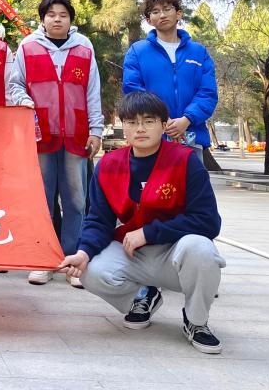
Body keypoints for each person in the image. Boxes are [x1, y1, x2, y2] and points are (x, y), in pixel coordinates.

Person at [59, 91, 225, 354]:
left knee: (202, 249)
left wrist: (149, 232)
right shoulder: (109, 165)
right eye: (132, 122)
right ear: (123, 126)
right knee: (90, 270)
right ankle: (143, 297)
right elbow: (98, 220)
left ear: (163, 124)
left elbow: (208, 222)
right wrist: (83, 252)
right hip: (133, 255)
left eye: (148, 121)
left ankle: (196, 321)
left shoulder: (185, 161)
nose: (140, 129)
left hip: (175, 254)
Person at [8, 0, 103, 287]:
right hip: (41, 136)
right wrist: (24, 100)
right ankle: (43, 260)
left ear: (71, 19)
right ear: (42, 19)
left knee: (76, 200)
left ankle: (72, 262)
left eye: (63, 15)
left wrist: (96, 130)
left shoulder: (84, 47)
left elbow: (93, 92)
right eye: (51, 15)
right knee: (42, 199)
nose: (57, 19)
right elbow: (14, 85)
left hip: (76, 135)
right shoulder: (28, 47)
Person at [121, 0, 218, 165]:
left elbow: (208, 93)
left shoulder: (198, 52)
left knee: (192, 182)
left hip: (192, 136)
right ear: (149, 20)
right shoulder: (137, 51)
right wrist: (163, 121)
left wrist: (187, 119)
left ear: (178, 13)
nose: (162, 15)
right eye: (155, 11)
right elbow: (133, 90)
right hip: (152, 138)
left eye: (167, 9)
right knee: (154, 183)